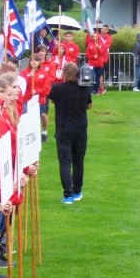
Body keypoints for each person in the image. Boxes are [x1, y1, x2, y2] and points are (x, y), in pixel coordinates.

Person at [47, 63, 92, 204]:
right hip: (80, 129)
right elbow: (89, 104)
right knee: (78, 161)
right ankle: (77, 191)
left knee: (65, 162)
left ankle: (68, 194)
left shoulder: (57, 88)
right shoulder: (84, 88)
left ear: (64, 73)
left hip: (64, 130)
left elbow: (52, 100)